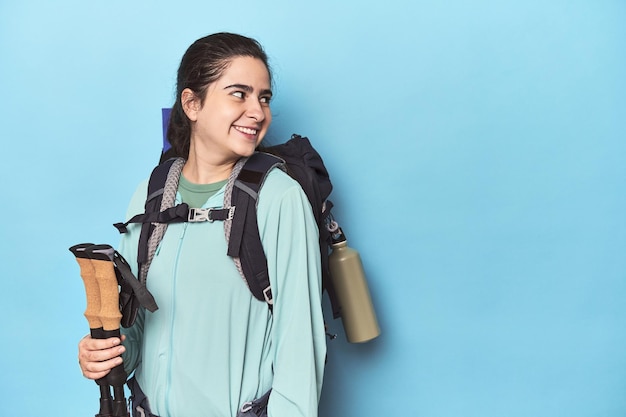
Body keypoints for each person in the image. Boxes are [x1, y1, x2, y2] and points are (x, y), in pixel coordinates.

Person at [77, 32, 327, 417]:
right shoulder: (154, 191)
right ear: (192, 104)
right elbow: (134, 332)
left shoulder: (279, 197)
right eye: (239, 94)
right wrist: (105, 355)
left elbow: (300, 347)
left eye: (264, 97)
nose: (258, 112)